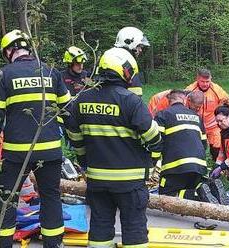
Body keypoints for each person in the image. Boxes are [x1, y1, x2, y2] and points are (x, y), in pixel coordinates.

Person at [66, 48, 161, 248]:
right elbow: (152, 136)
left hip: (97, 179)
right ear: (124, 72)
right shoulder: (130, 101)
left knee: (100, 226)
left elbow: (74, 136)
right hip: (130, 181)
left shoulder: (81, 99)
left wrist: (84, 160)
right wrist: (154, 155)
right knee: (134, 228)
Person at [0, 29, 71, 247]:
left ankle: (2, 243)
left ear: (8, 51)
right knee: (50, 196)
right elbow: (68, 108)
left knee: (7, 197)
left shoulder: (3, 75)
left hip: (17, 152)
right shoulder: (51, 72)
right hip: (51, 150)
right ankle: (53, 243)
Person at [154, 90, 218, 202]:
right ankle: (198, 193)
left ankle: (198, 195)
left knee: (165, 197)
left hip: (175, 167)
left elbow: (156, 141)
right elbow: (204, 144)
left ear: (169, 101)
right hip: (199, 166)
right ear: (184, 100)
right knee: (187, 196)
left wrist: (152, 162)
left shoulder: (163, 115)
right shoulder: (196, 117)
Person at [186, 69, 229, 161]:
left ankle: (218, 166)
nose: (205, 84)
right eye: (202, 81)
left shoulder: (216, 89)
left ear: (211, 79)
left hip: (213, 125)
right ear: (197, 79)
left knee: (217, 146)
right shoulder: (190, 90)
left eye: (207, 81)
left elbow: (228, 101)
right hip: (195, 124)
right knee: (194, 147)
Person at [114, 26, 150, 97]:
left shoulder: (107, 57)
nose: (140, 50)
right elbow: (136, 97)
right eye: (139, 46)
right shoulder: (128, 63)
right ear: (130, 42)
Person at [211, 104, 229, 181]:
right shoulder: (224, 132)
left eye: (221, 121)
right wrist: (217, 165)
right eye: (217, 121)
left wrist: (221, 167)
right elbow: (222, 152)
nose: (219, 124)